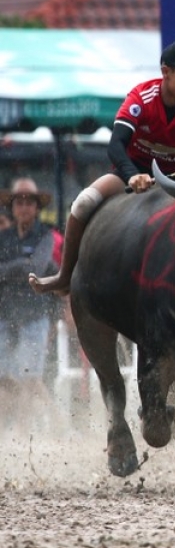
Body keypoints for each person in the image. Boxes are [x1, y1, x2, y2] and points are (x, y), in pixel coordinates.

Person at [29, 39, 175, 295]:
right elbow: (115, 146)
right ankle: (65, 276)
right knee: (83, 203)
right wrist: (132, 176)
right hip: (134, 170)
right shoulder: (141, 98)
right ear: (165, 71)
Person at [0, 178, 61, 432]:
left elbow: (37, 268)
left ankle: (24, 431)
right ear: (12, 207)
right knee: (9, 377)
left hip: (36, 315)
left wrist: (9, 269)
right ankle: (61, 423)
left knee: (29, 378)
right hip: (6, 315)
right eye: (19, 201)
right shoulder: (5, 237)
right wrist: (21, 265)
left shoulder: (45, 236)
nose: (24, 207)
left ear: (36, 207)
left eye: (29, 202)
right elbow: (30, 267)